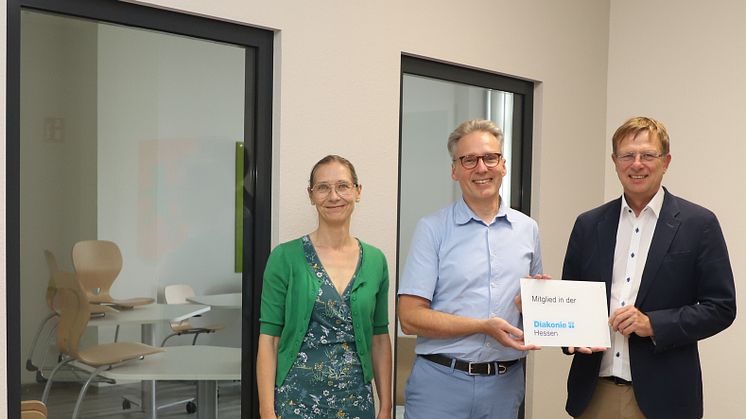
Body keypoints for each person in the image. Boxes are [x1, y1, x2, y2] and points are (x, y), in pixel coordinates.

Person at [562, 116, 736, 419]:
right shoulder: (588, 225)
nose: (637, 164)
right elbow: (570, 303)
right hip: (593, 394)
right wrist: (558, 323)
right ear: (615, 162)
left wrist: (653, 324)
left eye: (648, 155)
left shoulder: (699, 224)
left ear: (666, 161)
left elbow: (721, 308)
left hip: (664, 398)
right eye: (627, 155)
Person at [398, 119, 545, 419]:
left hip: (505, 386)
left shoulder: (527, 229)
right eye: (469, 160)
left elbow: (533, 318)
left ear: (503, 165)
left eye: (490, 157)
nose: (482, 168)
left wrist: (535, 304)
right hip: (440, 384)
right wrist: (481, 326)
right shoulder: (433, 229)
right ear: (455, 170)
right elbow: (409, 318)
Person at [256, 155, 392, 419]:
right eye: (323, 187)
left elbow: (379, 338)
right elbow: (269, 340)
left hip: (357, 402)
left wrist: (385, 405)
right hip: (295, 401)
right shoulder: (284, 257)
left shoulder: (376, 261)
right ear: (311, 195)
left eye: (343, 186)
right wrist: (266, 411)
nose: (334, 196)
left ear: (357, 191)